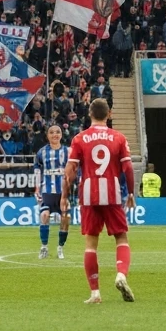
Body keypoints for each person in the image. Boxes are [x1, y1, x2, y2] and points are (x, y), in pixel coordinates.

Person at [62, 98, 135, 304]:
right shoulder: (119, 138)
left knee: (91, 244)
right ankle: (121, 275)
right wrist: (130, 192)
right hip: (112, 193)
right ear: (109, 114)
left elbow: (70, 171)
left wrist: (64, 196)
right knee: (121, 238)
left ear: (89, 114)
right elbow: (128, 168)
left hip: (89, 194)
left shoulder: (79, 138)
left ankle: (95, 293)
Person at [34, 124, 70, 260]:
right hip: (47, 191)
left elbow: (75, 169)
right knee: (44, 215)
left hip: (63, 192)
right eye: (51, 132)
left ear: (61, 135)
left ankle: (60, 248)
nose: (55, 135)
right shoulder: (41, 152)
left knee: (65, 219)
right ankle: (44, 247)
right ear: (47, 135)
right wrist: (37, 188)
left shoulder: (68, 152)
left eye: (57, 132)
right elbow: (37, 170)